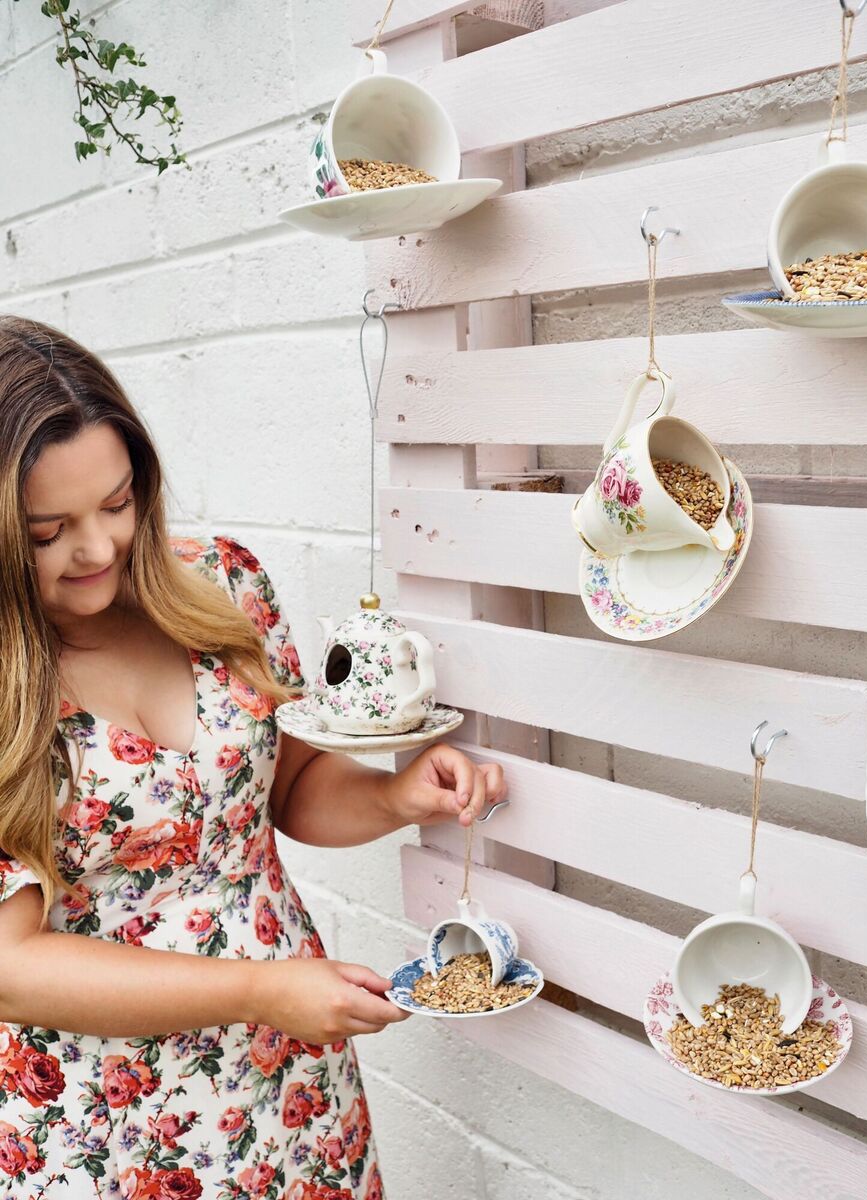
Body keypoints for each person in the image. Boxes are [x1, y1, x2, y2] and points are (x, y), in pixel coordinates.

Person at [0, 315, 507, 1199]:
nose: (99, 549)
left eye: (117, 504)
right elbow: (10, 965)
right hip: (107, 1123)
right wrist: (257, 990)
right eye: (48, 532)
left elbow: (291, 788)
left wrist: (398, 797)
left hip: (287, 1078)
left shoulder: (223, 583)